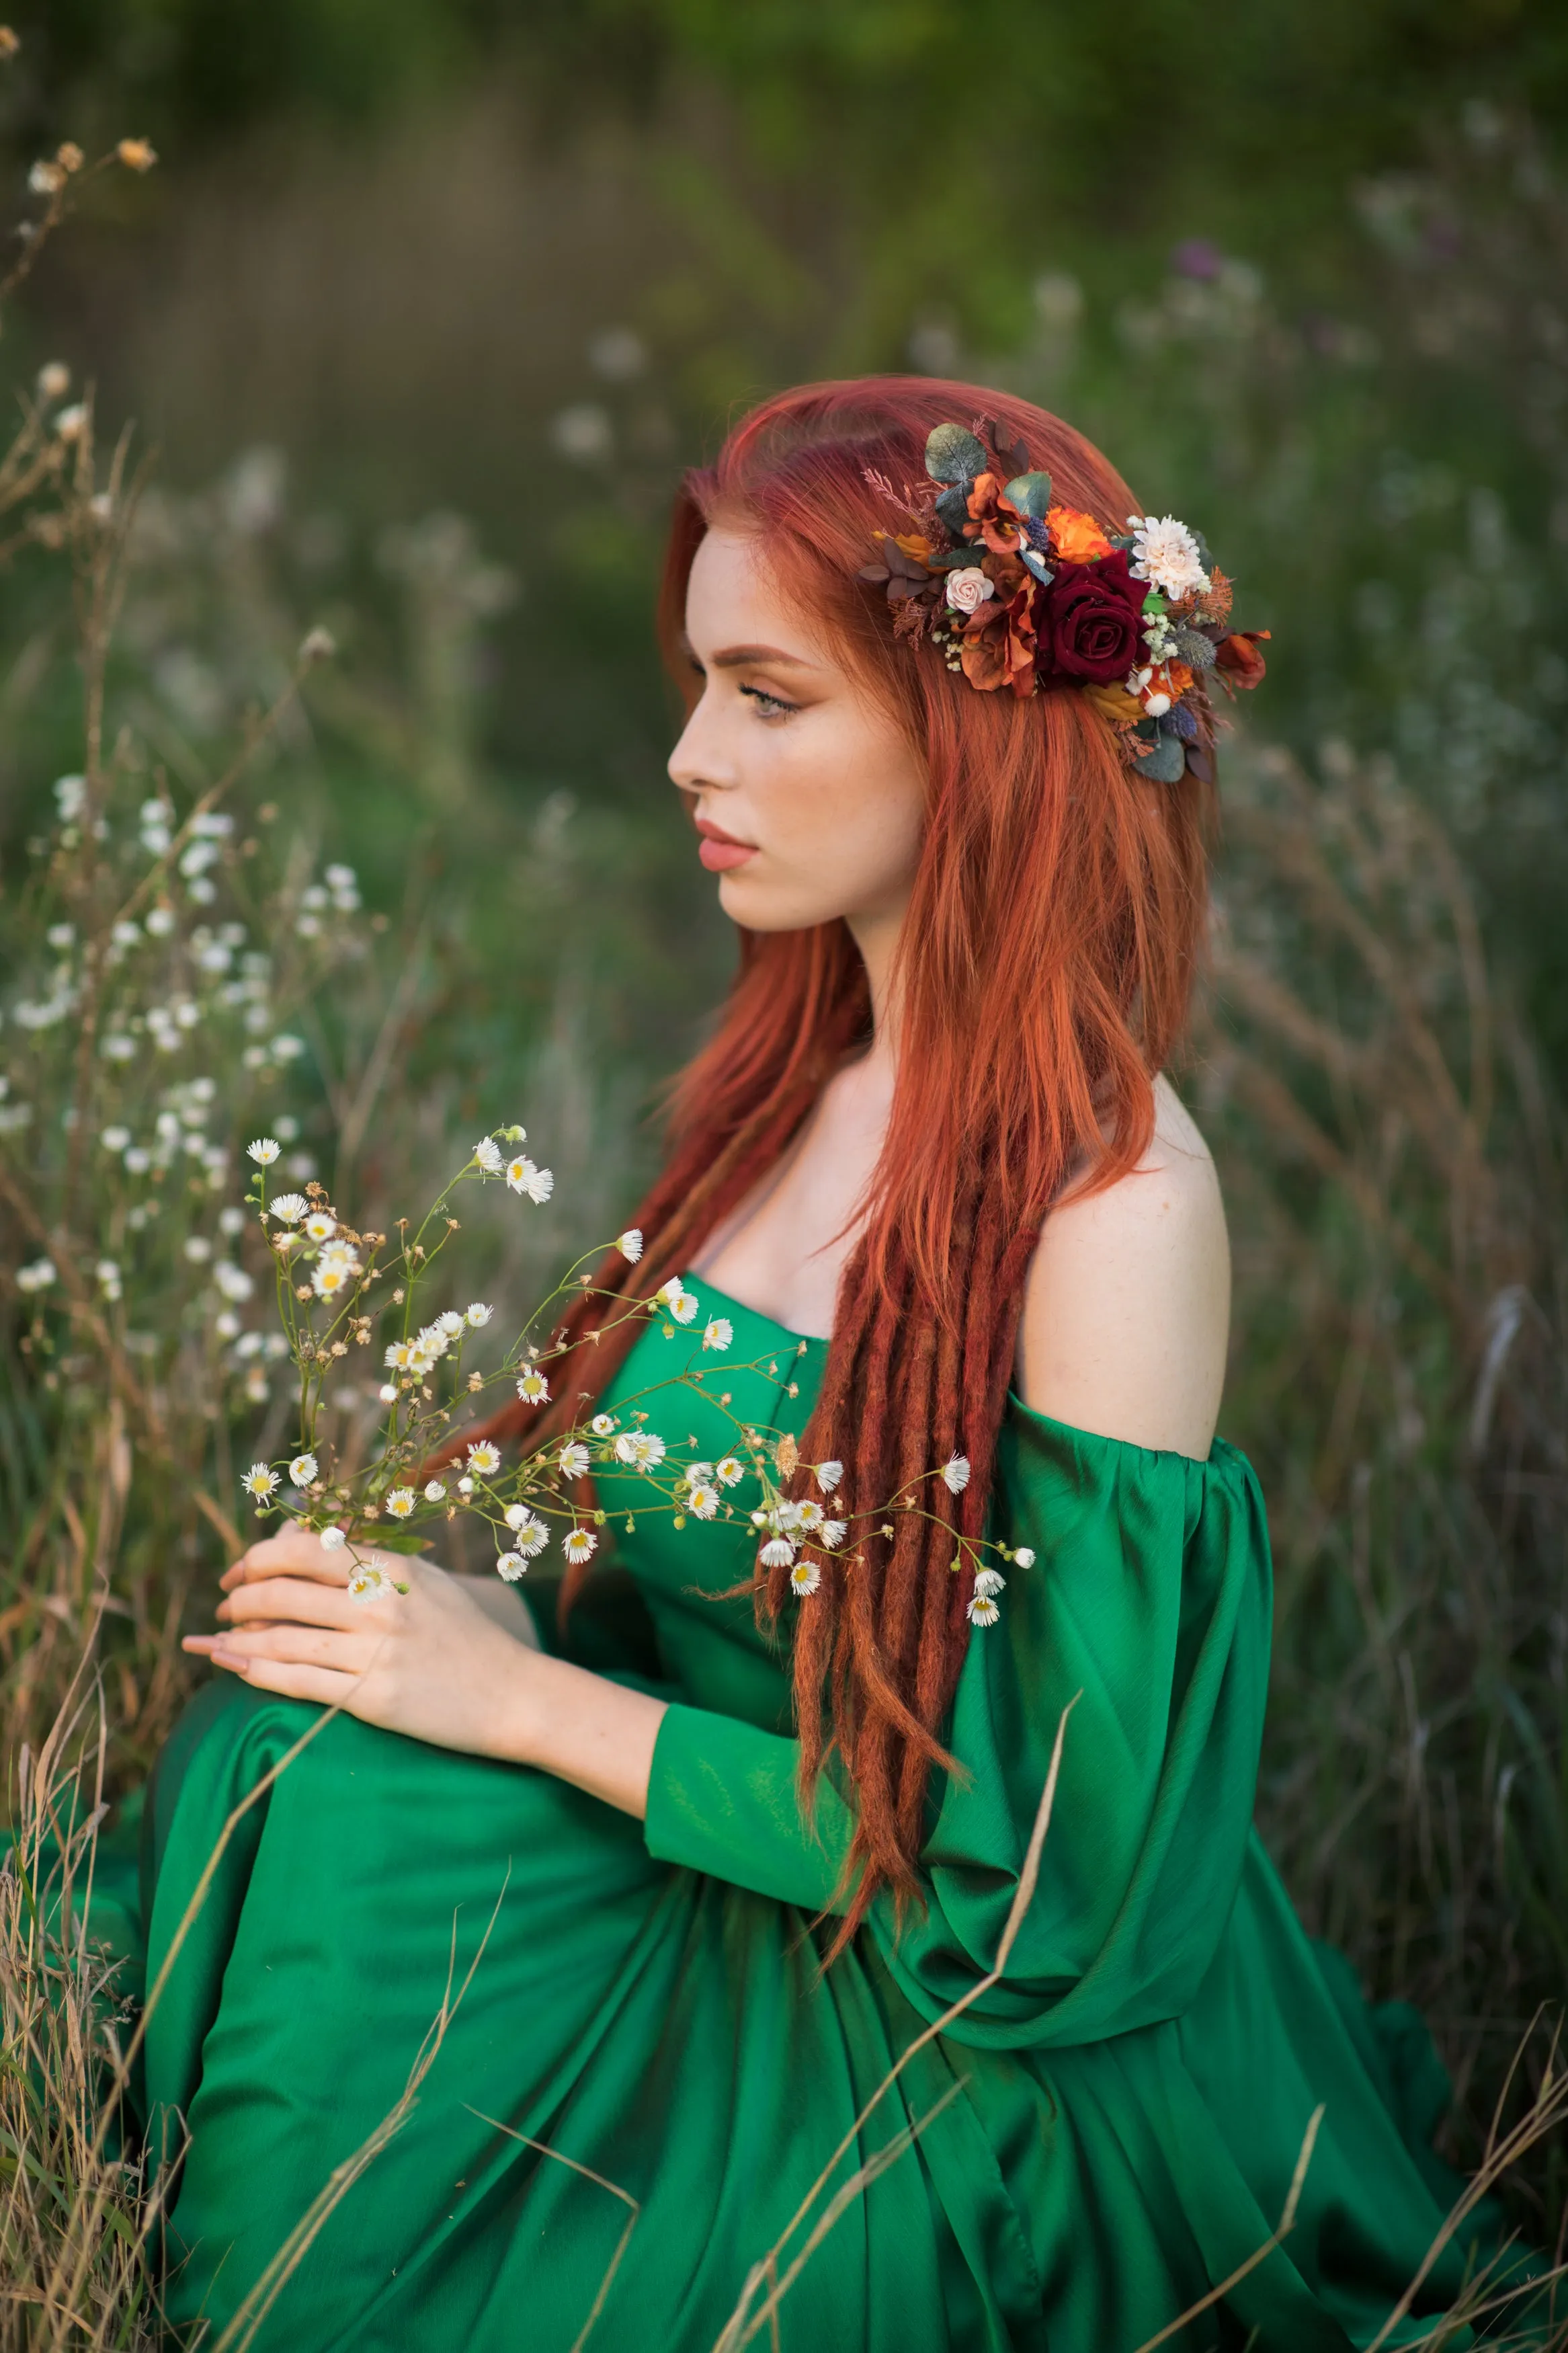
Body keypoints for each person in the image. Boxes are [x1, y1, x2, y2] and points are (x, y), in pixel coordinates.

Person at [131, 379, 1497, 2350]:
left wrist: (520, 1703)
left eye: (768, 697)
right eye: (701, 684)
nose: (691, 754)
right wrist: (495, 1614)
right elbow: (742, 1588)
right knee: (301, 1751)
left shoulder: (1108, 1210)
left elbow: (1038, 1884)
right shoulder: (800, 1070)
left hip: (931, 2017)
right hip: (710, 1832)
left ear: (974, 736)